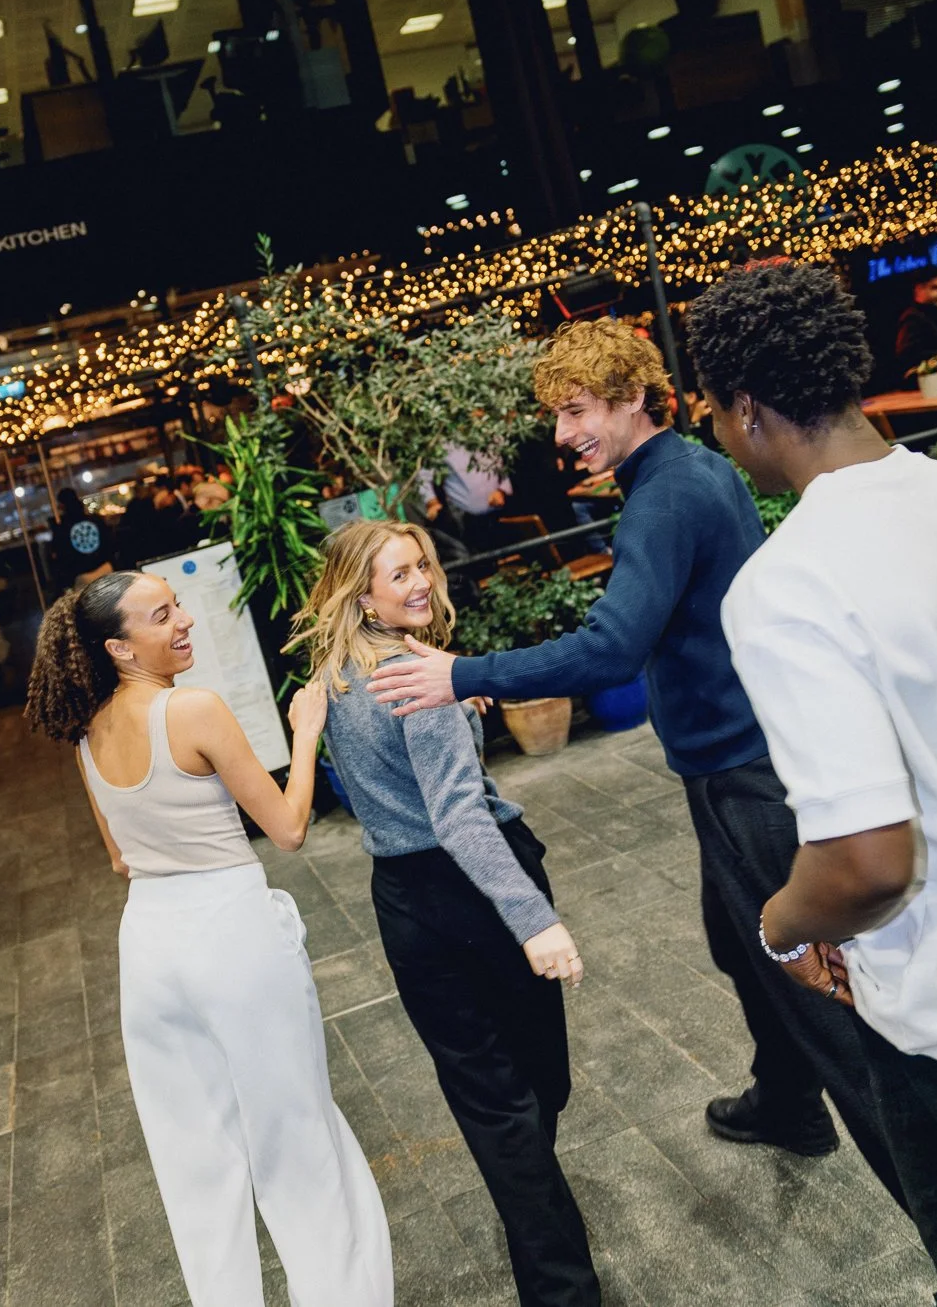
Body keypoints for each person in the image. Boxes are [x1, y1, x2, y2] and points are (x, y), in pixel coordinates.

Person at [367, 318, 905, 1204]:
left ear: (632, 400)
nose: (564, 432)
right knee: (737, 943)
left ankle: (932, 1205)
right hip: (734, 758)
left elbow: (611, 648)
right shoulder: (684, 470)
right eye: (558, 414)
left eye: (578, 409)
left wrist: (461, 672)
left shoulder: (664, 496)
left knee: (820, 1004)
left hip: (743, 774)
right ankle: (787, 1102)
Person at [688, 260, 937, 1307]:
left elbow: (866, 862)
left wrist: (779, 924)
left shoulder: (785, 583)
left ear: (747, 409)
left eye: (717, 416)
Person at [24, 571, 392, 1307]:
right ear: (120, 647)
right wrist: (305, 735)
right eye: (163, 615)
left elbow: (121, 859)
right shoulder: (192, 709)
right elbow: (288, 828)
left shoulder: (87, 736)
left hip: (150, 946)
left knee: (195, 1159)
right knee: (295, 1134)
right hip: (230, 932)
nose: (185, 620)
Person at [287, 521, 601, 1307]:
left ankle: (545, 1255)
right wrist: (534, 919)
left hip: (404, 901)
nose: (422, 580)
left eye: (421, 564)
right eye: (399, 574)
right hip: (477, 891)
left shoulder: (338, 674)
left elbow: (394, 763)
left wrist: (461, 701)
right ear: (364, 596)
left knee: (489, 1099)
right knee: (536, 1087)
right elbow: (460, 814)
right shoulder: (414, 683)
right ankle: (557, 1270)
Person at [51, 488, 116, 592]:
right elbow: (110, 543)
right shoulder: (96, 520)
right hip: (105, 569)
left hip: (82, 577)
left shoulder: (62, 528)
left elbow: (61, 556)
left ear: (62, 505)